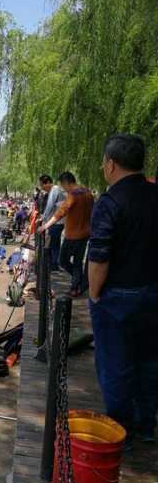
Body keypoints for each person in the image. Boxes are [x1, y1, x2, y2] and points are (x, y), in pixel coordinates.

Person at [88, 134, 158, 446]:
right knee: (148, 362)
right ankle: (146, 425)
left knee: (115, 366)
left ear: (111, 164)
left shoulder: (110, 201)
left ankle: (122, 432)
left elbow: (99, 256)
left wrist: (93, 293)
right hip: (153, 293)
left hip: (117, 297)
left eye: (104, 161)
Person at [39, 171, 94, 296]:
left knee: (62, 260)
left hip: (73, 235)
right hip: (86, 233)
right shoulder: (88, 193)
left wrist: (46, 225)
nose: (63, 189)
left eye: (63, 186)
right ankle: (76, 286)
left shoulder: (73, 194)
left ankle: (77, 281)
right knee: (78, 261)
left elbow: (62, 212)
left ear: (66, 182)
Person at [38, 174, 66, 271]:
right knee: (56, 243)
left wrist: (43, 218)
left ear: (48, 182)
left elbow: (50, 206)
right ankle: (55, 264)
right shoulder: (55, 190)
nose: (41, 188)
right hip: (59, 221)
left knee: (51, 243)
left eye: (42, 185)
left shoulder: (54, 190)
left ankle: (52, 265)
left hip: (57, 222)